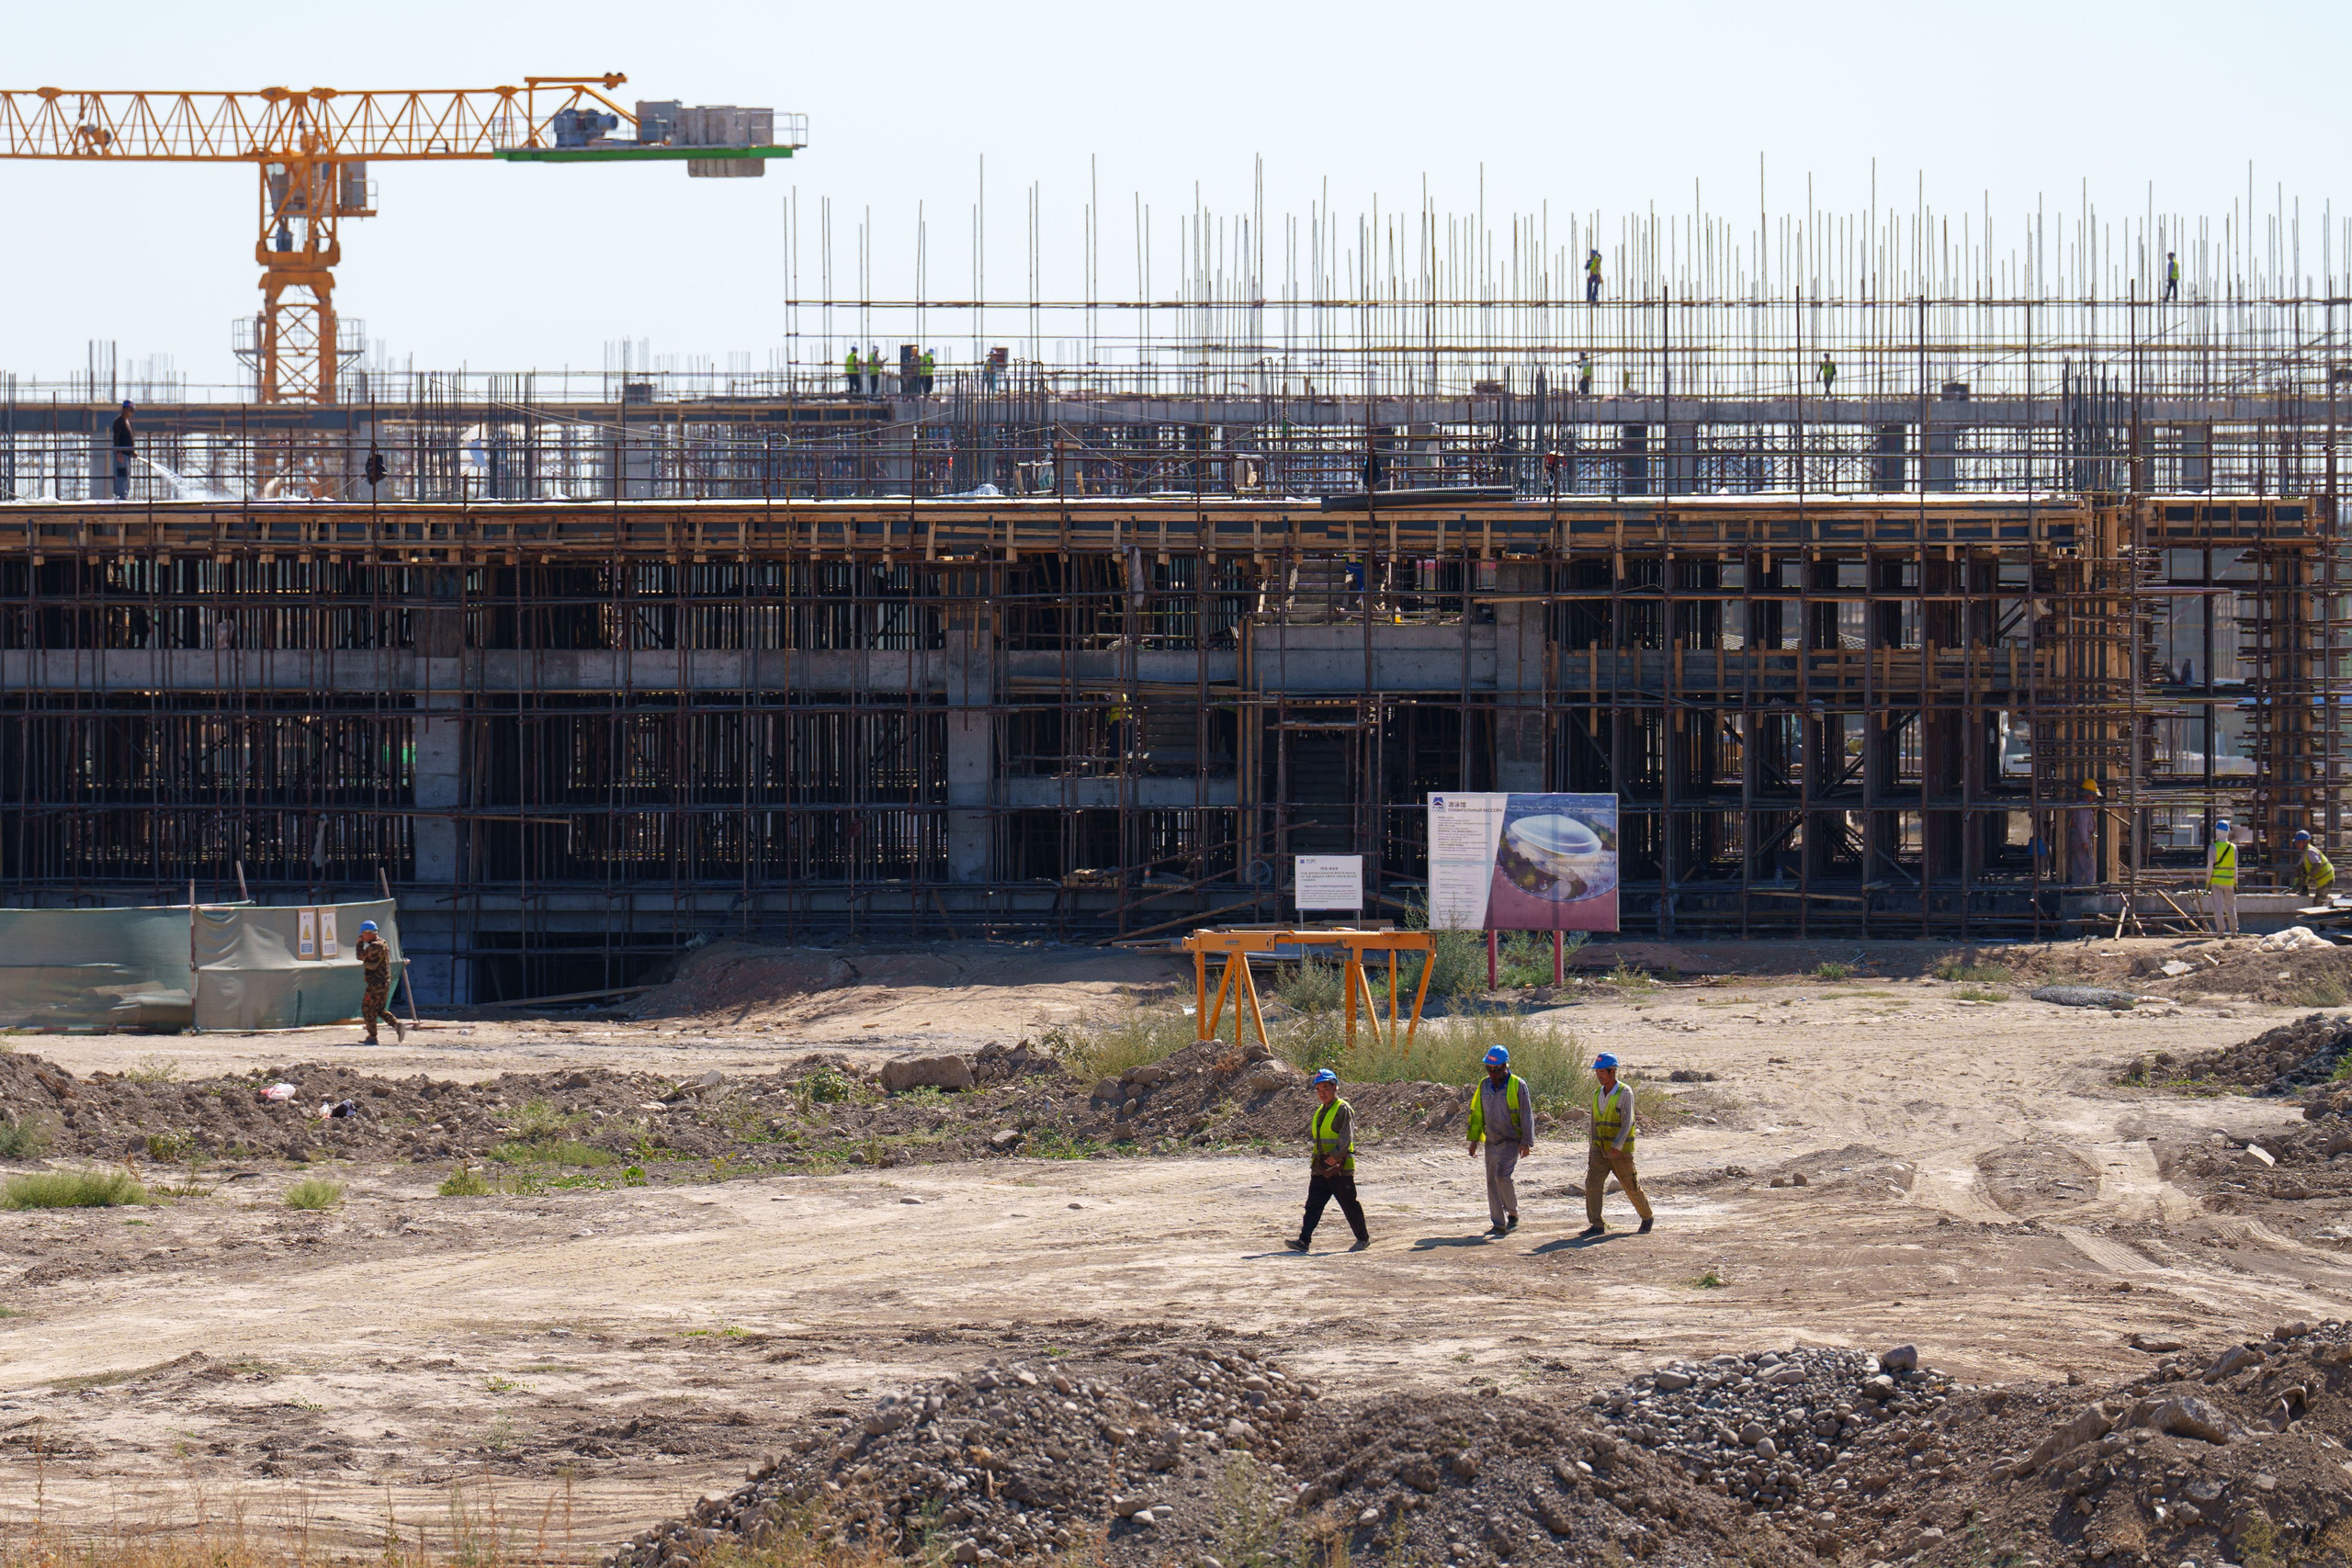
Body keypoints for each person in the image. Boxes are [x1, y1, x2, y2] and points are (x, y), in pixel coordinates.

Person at [1288, 1068, 1370, 1253]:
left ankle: (1363, 1239)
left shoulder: (1343, 1109)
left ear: (1335, 1087)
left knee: (1349, 1205)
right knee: (1312, 1206)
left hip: (1339, 1170)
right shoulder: (1320, 1111)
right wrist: (1322, 1163)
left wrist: (1334, 1158)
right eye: (1318, 1089)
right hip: (1320, 1168)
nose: (1321, 1092)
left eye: (1325, 1087)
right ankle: (1303, 1241)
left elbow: (1346, 1137)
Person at [1582, 1053, 1654, 1237]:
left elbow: (1628, 1121)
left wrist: (1618, 1144)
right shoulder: (1597, 1093)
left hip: (1619, 1152)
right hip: (1600, 1148)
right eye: (1597, 1072)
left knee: (1630, 1186)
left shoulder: (1625, 1092)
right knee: (1592, 1184)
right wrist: (1592, 1148)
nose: (1599, 1075)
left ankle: (1647, 1217)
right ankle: (1596, 1224)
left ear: (1612, 1071)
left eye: (1602, 1072)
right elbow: (1593, 1123)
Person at [1465, 1044, 1533, 1236]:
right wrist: (1473, 1140)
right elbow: (1477, 1114)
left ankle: (1512, 1213)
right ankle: (1498, 1224)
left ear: (1505, 1066)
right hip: (1492, 1140)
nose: (1492, 1073)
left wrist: (1526, 1141)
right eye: (1489, 1068)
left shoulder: (1518, 1085)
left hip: (1512, 1140)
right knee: (1491, 1182)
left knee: (1502, 1176)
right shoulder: (1484, 1085)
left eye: (1496, 1069)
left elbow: (1526, 1114)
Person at [355, 919, 405, 1043]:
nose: (362, 936)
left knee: (367, 1008)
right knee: (379, 1009)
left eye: (363, 934)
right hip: (383, 982)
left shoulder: (375, 946)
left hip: (376, 983)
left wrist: (359, 944)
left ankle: (372, 1037)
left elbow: (360, 956)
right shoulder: (382, 943)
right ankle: (396, 1024)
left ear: (369, 932)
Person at [2208, 818, 2240, 936]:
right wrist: (2235, 883)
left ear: (2217, 832)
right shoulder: (2233, 848)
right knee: (2231, 907)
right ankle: (2234, 931)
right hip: (2229, 882)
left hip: (2216, 882)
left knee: (2218, 908)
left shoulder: (2212, 848)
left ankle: (2220, 932)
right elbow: (2236, 868)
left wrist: (2207, 883)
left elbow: (2210, 868)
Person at [2292, 829, 2335, 899]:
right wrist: (2296, 880)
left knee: (2318, 901)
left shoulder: (2310, 851)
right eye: (2296, 842)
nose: (2297, 845)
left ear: (2305, 842)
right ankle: (2304, 890)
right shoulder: (2305, 852)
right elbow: (2299, 867)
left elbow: (2317, 864)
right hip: (2322, 881)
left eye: (2298, 842)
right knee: (2301, 868)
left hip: (2327, 879)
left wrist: (2310, 875)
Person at [109, 400, 134, 500]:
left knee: (126, 475)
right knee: (121, 475)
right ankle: (121, 496)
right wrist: (119, 451)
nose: (132, 412)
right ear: (124, 410)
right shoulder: (119, 422)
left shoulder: (126, 422)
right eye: (130, 410)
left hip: (126, 454)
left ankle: (124, 495)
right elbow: (116, 437)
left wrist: (132, 452)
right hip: (122, 454)